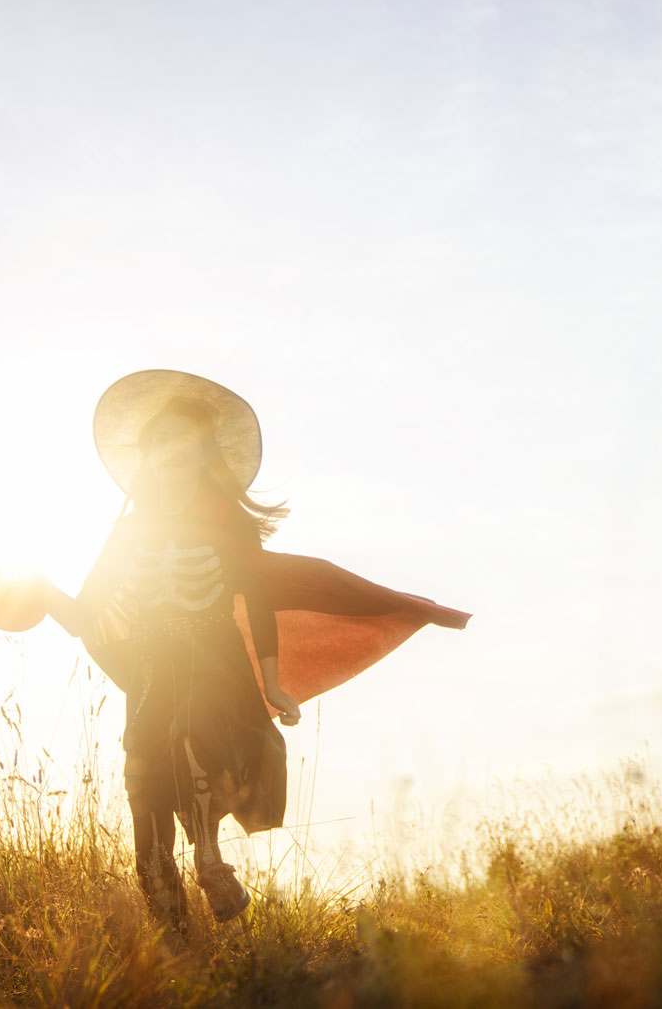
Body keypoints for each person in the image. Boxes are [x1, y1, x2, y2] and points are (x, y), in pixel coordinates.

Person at [41, 371, 468, 927]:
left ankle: (209, 853)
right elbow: (85, 615)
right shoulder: (127, 534)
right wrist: (38, 593)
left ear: (203, 456)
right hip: (150, 671)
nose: (173, 450)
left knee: (193, 732)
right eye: (162, 439)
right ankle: (175, 942)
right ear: (147, 453)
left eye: (186, 442)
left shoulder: (227, 526)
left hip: (213, 661)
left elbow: (260, 600)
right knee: (142, 791)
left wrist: (271, 682)